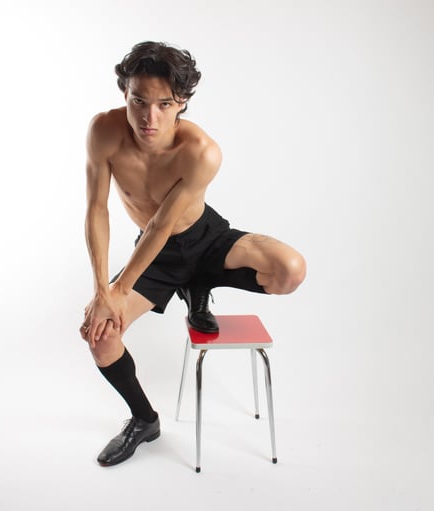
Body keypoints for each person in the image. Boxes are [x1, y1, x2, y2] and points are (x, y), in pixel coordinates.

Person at [80, 41, 306, 467]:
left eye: (165, 104)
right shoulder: (104, 133)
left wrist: (119, 286)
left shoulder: (201, 151)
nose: (150, 117)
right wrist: (102, 292)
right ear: (124, 94)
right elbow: (96, 209)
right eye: (139, 101)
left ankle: (199, 281)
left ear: (182, 102)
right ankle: (144, 421)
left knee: (290, 270)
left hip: (204, 240)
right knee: (101, 337)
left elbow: (165, 222)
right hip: (156, 256)